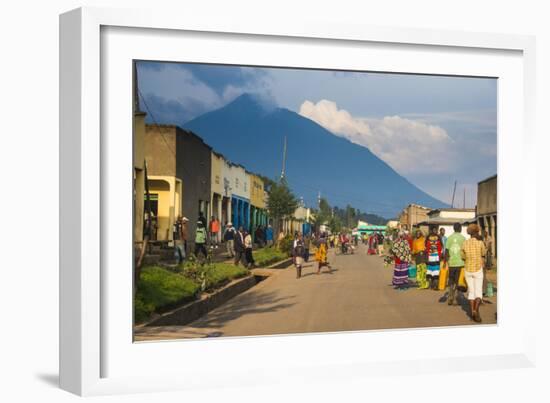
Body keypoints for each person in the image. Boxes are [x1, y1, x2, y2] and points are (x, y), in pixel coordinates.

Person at [461, 223, 487, 322]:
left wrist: (468, 259)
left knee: (471, 292)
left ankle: (472, 311)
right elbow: (483, 253)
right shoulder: (480, 243)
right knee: (478, 292)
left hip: (468, 269)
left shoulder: (464, 243)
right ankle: (476, 310)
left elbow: (462, 256)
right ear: (476, 232)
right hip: (478, 269)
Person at [445, 223, 466, 306]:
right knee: (458, 281)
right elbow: (465, 251)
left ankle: (450, 297)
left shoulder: (449, 238)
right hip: (460, 263)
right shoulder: (463, 238)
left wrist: (445, 261)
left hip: (452, 263)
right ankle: (457, 298)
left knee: (451, 280)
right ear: (460, 228)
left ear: (453, 228)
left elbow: (446, 251)